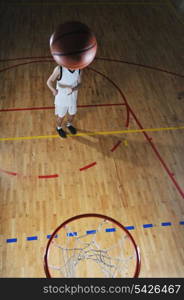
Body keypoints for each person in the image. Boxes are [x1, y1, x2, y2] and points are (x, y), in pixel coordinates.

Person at [47, 65, 82, 138]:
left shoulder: (79, 69)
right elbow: (49, 82)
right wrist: (53, 90)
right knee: (61, 117)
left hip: (72, 98)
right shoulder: (59, 69)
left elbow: (79, 84)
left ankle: (69, 124)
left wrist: (73, 89)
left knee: (72, 115)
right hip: (61, 100)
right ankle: (58, 127)